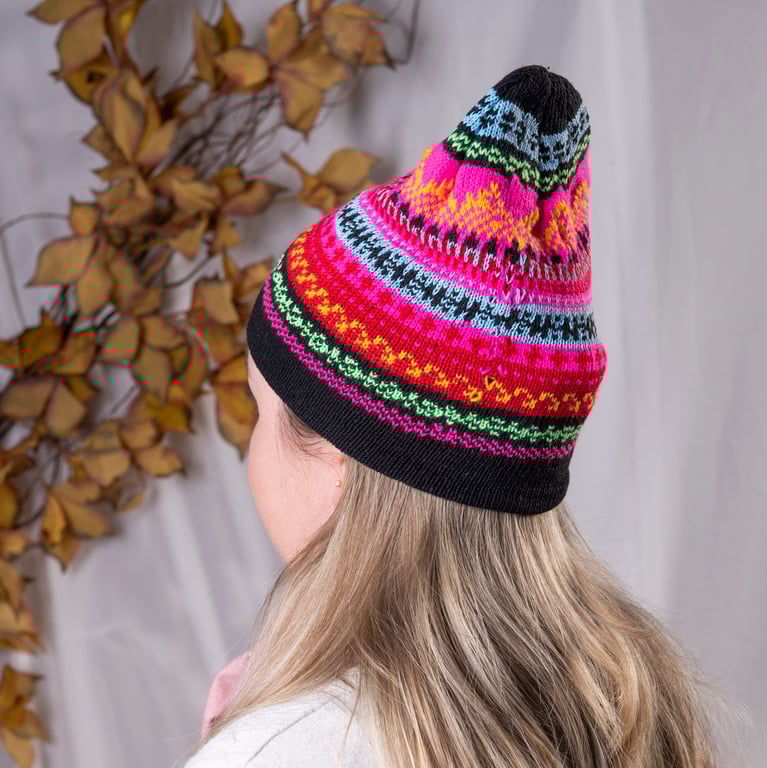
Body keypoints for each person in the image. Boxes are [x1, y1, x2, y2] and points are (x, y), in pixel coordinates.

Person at [179, 64, 731, 767]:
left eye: (260, 410)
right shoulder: (629, 701)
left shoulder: (279, 752)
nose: (249, 450)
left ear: (341, 454)